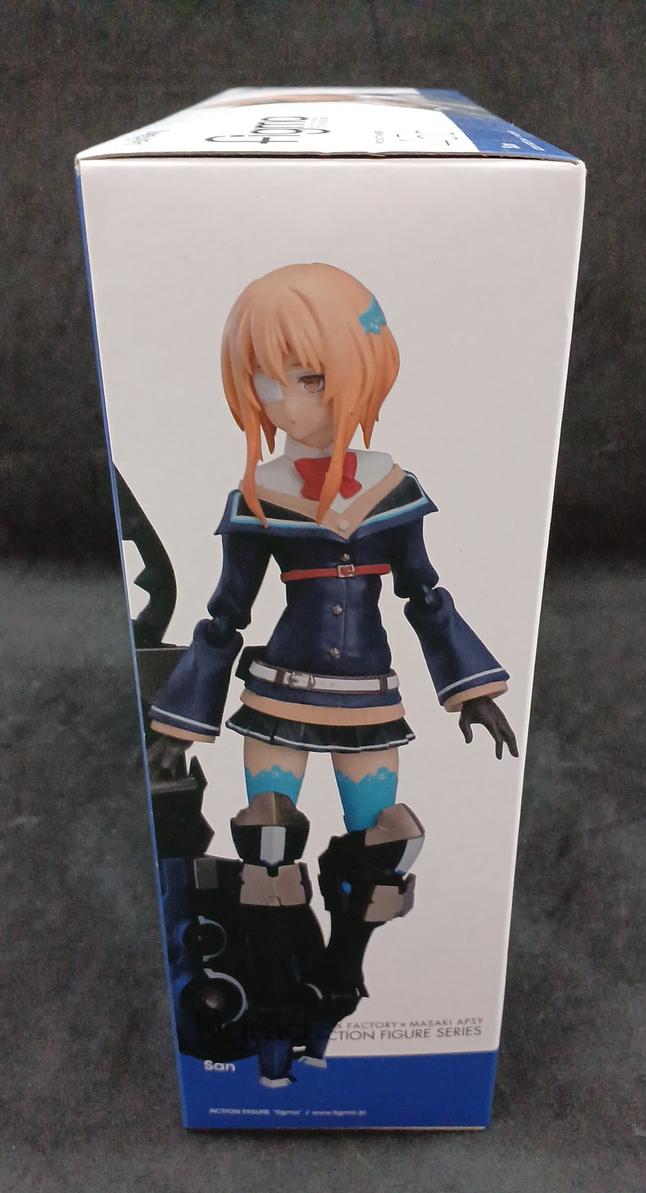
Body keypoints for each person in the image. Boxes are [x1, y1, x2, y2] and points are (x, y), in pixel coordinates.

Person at [148, 262, 517, 1085]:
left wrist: (473, 690)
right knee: (268, 848)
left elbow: (425, 596)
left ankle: (336, 986)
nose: (285, 401)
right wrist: (180, 723)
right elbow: (224, 615)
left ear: (358, 370)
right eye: (265, 381)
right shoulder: (259, 495)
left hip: (369, 701)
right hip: (279, 694)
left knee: (383, 849)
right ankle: (280, 1009)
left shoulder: (394, 490)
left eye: (307, 378)